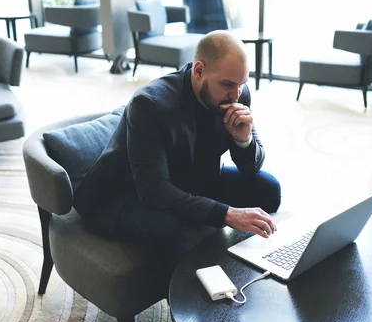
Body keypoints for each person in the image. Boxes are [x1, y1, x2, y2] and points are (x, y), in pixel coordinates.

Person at [73, 30, 281, 267]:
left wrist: (243, 140)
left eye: (241, 84)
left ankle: (243, 267)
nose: (235, 95)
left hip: (192, 177)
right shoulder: (150, 104)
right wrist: (227, 214)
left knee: (268, 189)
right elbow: (154, 191)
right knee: (166, 233)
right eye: (227, 85)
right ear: (199, 70)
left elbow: (250, 167)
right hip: (128, 193)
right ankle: (188, 299)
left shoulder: (237, 94)